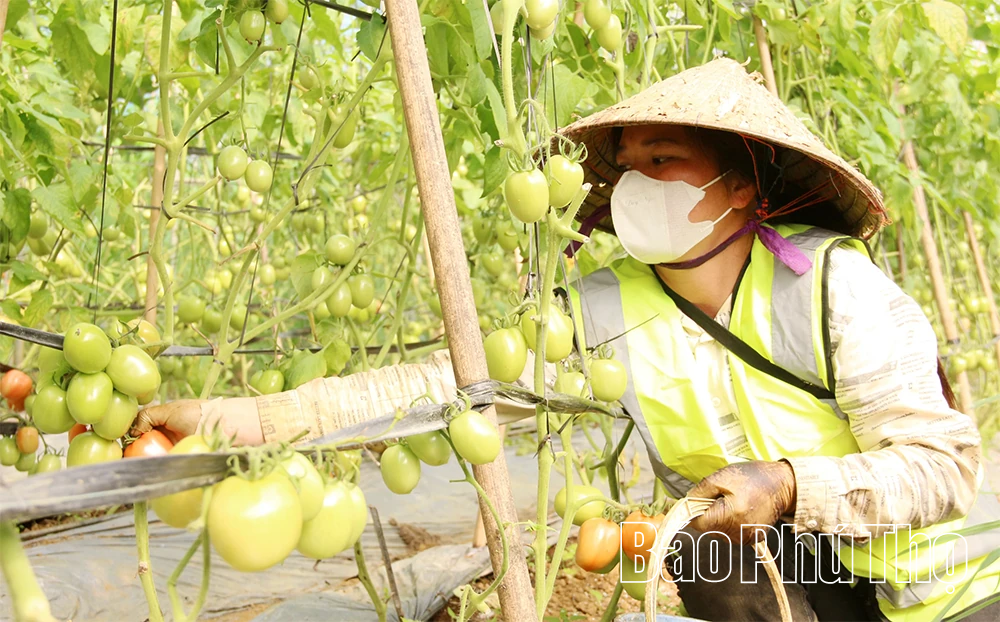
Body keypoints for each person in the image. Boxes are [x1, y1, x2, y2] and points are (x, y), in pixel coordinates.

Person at [134, 59, 998, 621]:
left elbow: (945, 468)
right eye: (628, 166)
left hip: (948, 590)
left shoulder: (834, 288)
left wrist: (785, 485)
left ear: (739, 187)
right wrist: (246, 419)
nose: (636, 183)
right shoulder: (602, 310)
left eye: (663, 161)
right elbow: (452, 383)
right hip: (816, 577)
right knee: (705, 552)